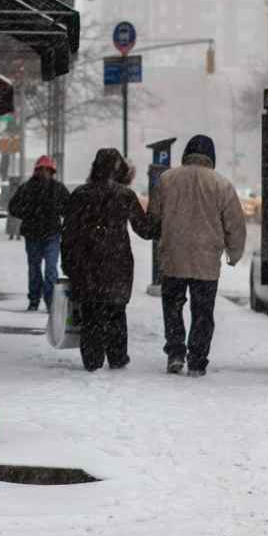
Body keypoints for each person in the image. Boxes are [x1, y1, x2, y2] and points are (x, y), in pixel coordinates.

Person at [149, 134, 246, 377]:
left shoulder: (166, 179)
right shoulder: (221, 184)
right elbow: (234, 223)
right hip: (206, 259)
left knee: (173, 307)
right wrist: (234, 253)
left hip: (174, 256)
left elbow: (154, 216)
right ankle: (197, 360)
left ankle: (175, 352)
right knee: (203, 312)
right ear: (211, 156)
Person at [62, 148, 158, 371]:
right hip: (117, 262)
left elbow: (69, 233)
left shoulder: (80, 194)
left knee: (91, 312)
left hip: (87, 263)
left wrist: (68, 262)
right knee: (116, 311)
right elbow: (144, 229)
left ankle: (92, 359)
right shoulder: (124, 195)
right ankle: (117, 356)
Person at [8, 155, 70, 311]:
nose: (44, 173)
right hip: (36, 235)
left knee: (49, 270)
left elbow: (68, 208)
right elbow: (14, 207)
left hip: (48, 234)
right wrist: (30, 213)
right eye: (42, 170)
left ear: (51, 171)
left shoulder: (56, 188)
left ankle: (47, 301)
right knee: (36, 269)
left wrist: (30, 213)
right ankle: (37, 300)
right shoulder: (28, 188)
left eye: (46, 170)